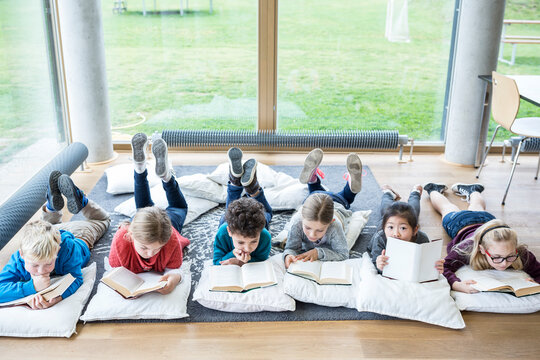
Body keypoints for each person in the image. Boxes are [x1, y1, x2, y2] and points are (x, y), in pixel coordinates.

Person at [0, 171, 110, 309]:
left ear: (57, 252)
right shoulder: (18, 259)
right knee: (48, 228)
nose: (41, 271)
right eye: (34, 265)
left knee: (104, 220)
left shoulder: (67, 250)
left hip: (80, 233)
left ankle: (82, 201)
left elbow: (76, 279)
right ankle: (51, 206)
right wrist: (31, 287)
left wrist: (57, 298)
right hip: (52, 232)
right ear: (21, 254)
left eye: (48, 264)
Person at [108, 133, 190, 294]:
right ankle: (166, 177)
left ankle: (141, 168)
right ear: (130, 235)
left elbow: (176, 270)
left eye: (157, 249)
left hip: (165, 225)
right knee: (176, 208)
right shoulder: (121, 240)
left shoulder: (170, 238)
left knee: (153, 208)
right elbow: (114, 273)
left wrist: (174, 279)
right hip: (143, 225)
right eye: (144, 248)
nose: (151, 253)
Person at [424, 182, 540, 293]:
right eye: (497, 257)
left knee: (478, 206)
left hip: (488, 222)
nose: (504, 264)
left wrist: (536, 282)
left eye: (510, 256)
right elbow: (444, 267)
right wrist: (455, 284)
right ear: (482, 249)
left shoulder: (521, 253)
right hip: (460, 222)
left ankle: (474, 190)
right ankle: (433, 189)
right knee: (446, 207)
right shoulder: (467, 248)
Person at [283, 148, 363, 269]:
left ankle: (315, 179)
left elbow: (343, 254)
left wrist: (318, 252)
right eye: (308, 227)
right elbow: (290, 248)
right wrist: (288, 255)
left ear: (331, 221)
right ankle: (347, 183)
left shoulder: (335, 226)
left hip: (338, 204)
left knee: (346, 198)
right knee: (316, 192)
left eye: (320, 230)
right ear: (301, 216)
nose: (312, 235)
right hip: (313, 198)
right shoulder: (297, 222)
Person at [213, 147, 273, 266]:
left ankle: (236, 182)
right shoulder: (222, 233)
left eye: (254, 241)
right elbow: (216, 262)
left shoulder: (264, 235)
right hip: (228, 222)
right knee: (267, 213)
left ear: (260, 232)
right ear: (229, 231)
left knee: (264, 214)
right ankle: (252, 188)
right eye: (240, 242)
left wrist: (241, 261)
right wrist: (233, 256)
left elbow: (262, 258)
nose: (247, 248)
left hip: (250, 224)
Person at [367, 183, 443, 273]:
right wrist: (379, 265)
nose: (396, 234)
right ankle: (388, 193)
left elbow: (427, 262)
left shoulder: (422, 239)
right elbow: (374, 262)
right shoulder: (380, 238)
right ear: (384, 228)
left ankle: (415, 193)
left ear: (415, 230)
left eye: (403, 228)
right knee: (385, 208)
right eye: (391, 227)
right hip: (384, 222)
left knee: (413, 211)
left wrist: (436, 266)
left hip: (400, 222)